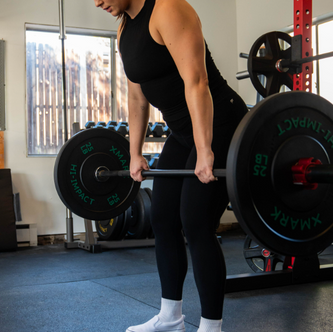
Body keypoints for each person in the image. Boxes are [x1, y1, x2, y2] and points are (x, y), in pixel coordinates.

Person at [93, 0, 248, 331]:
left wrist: (205, 150)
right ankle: (170, 317)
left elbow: (197, 82)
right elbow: (137, 98)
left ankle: (210, 326)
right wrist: (134, 153)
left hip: (219, 123)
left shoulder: (168, 9)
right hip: (181, 132)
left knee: (196, 221)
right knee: (162, 218)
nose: (97, 2)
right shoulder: (124, 28)